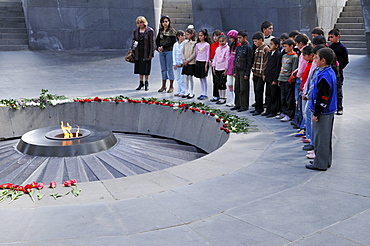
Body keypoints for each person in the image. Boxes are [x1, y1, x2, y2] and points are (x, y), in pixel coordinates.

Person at [305, 48, 337, 171]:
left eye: (316, 58)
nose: (314, 59)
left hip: (324, 111)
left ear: (323, 60)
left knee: (320, 138)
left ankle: (320, 164)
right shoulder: (329, 71)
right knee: (325, 137)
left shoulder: (325, 75)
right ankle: (325, 160)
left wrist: (317, 112)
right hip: (327, 110)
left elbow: (323, 97)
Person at [276, 39, 298, 122]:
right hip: (282, 78)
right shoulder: (284, 56)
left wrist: (291, 79)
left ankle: (289, 113)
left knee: (289, 97)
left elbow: (294, 70)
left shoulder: (294, 57)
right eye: (284, 46)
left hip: (288, 80)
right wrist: (279, 78)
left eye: (286, 46)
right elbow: (282, 67)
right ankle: (283, 111)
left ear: (291, 46)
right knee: (283, 97)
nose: (284, 48)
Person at [231, 30, 253, 112]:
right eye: (238, 38)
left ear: (245, 38)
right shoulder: (239, 47)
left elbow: (249, 62)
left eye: (240, 38)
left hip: (244, 70)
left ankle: (244, 105)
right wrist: (234, 71)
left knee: (243, 88)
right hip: (238, 69)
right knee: (237, 87)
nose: (239, 40)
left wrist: (247, 73)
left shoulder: (248, 48)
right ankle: (238, 104)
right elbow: (236, 59)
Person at [328, 28, 349, 115]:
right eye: (329, 37)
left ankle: (339, 107)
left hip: (338, 72)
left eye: (332, 37)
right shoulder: (329, 48)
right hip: (330, 70)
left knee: (338, 90)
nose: (330, 39)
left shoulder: (342, 48)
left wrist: (339, 68)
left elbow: (346, 61)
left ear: (338, 37)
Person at [291, 33, 310, 129]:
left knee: (299, 102)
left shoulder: (304, 53)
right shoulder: (304, 52)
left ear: (301, 43)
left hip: (302, 79)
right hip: (301, 77)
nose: (296, 46)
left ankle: (301, 123)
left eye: (296, 43)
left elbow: (302, 68)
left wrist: (297, 74)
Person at [133, 16, 155, 91]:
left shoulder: (150, 31)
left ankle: (146, 82)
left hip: (147, 51)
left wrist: (151, 53)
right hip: (138, 51)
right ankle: (141, 82)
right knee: (140, 67)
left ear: (144, 23)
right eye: (138, 23)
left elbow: (152, 42)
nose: (140, 24)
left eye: (141, 23)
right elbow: (134, 40)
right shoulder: (136, 31)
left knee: (146, 67)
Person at [156, 15, 177, 93]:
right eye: (163, 22)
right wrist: (158, 47)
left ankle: (171, 86)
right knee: (163, 69)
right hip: (162, 52)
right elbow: (157, 40)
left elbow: (172, 42)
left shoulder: (172, 31)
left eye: (166, 21)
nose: (165, 23)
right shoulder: (160, 30)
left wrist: (163, 47)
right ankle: (163, 85)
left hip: (169, 51)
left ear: (169, 22)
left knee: (169, 68)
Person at [251, 32, 270, 116]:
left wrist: (263, 73)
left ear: (261, 40)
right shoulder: (257, 49)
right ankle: (257, 106)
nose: (254, 43)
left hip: (261, 73)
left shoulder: (266, 49)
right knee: (255, 90)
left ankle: (260, 108)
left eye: (256, 41)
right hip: (256, 72)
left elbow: (266, 62)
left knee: (259, 90)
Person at [264, 37, 282, 117]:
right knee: (267, 94)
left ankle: (273, 110)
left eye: (271, 44)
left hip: (273, 77)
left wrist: (275, 79)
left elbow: (277, 67)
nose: (270, 46)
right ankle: (268, 109)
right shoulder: (270, 53)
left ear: (277, 45)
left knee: (274, 95)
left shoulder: (278, 54)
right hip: (268, 76)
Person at [212, 35, 230, 104]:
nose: (221, 43)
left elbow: (227, 59)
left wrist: (226, 69)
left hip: (223, 68)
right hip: (217, 68)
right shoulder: (218, 49)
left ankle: (223, 97)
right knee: (218, 83)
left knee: (223, 83)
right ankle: (220, 97)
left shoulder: (227, 49)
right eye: (220, 41)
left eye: (223, 41)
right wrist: (214, 67)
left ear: (226, 41)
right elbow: (215, 58)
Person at [194, 29, 211, 100]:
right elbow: (196, 54)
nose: (200, 37)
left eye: (201, 36)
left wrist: (206, 64)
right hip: (198, 61)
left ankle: (205, 93)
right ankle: (202, 92)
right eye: (199, 36)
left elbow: (207, 55)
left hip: (204, 62)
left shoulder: (207, 45)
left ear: (205, 36)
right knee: (200, 77)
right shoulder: (197, 44)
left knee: (204, 77)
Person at [225, 30, 240, 107]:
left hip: (235, 67)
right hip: (230, 66)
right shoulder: (231, 45)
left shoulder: (238, 45)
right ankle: (232, 98)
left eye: (231, 38)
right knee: (229, 84)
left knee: (236, 85)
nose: (230, 39)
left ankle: (236, 100)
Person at [182, 26, 197, 99]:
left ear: (192, 34)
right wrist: (184, 59)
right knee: (186, 77)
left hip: (191, 62)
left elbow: (194, 53)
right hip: (185, 62)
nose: (186, 36)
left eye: (188, 34)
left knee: (190, 77)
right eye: (186, 34)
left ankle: (191, 91)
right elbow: (182, 51)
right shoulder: (185, 42)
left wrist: (188, 60)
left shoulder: (194, 43)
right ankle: (186, 91)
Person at [209, 30, 223, 102]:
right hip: (213, 63)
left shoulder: (220, 45)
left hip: (219, 64)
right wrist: (209, 60)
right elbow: (210, 53)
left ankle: (220, 95)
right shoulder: (212, 45)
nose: (215, 37)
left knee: (219, 80)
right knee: (214, 80)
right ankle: (215, 95)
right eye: (214, 36)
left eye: (217, 36)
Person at [173, 30, 186, 97]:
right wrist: (174, 63)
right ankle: (179, 90)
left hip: (182, 63)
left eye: (184, 36)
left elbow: (184, 54)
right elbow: (174, 54)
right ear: (178, 37)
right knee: (178, 78)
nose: (183, 37)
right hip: (177, 62)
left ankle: (183, 91)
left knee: (182, 78)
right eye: (182, 36)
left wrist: (181, 62)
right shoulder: (175, 45)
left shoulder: (184, 44)